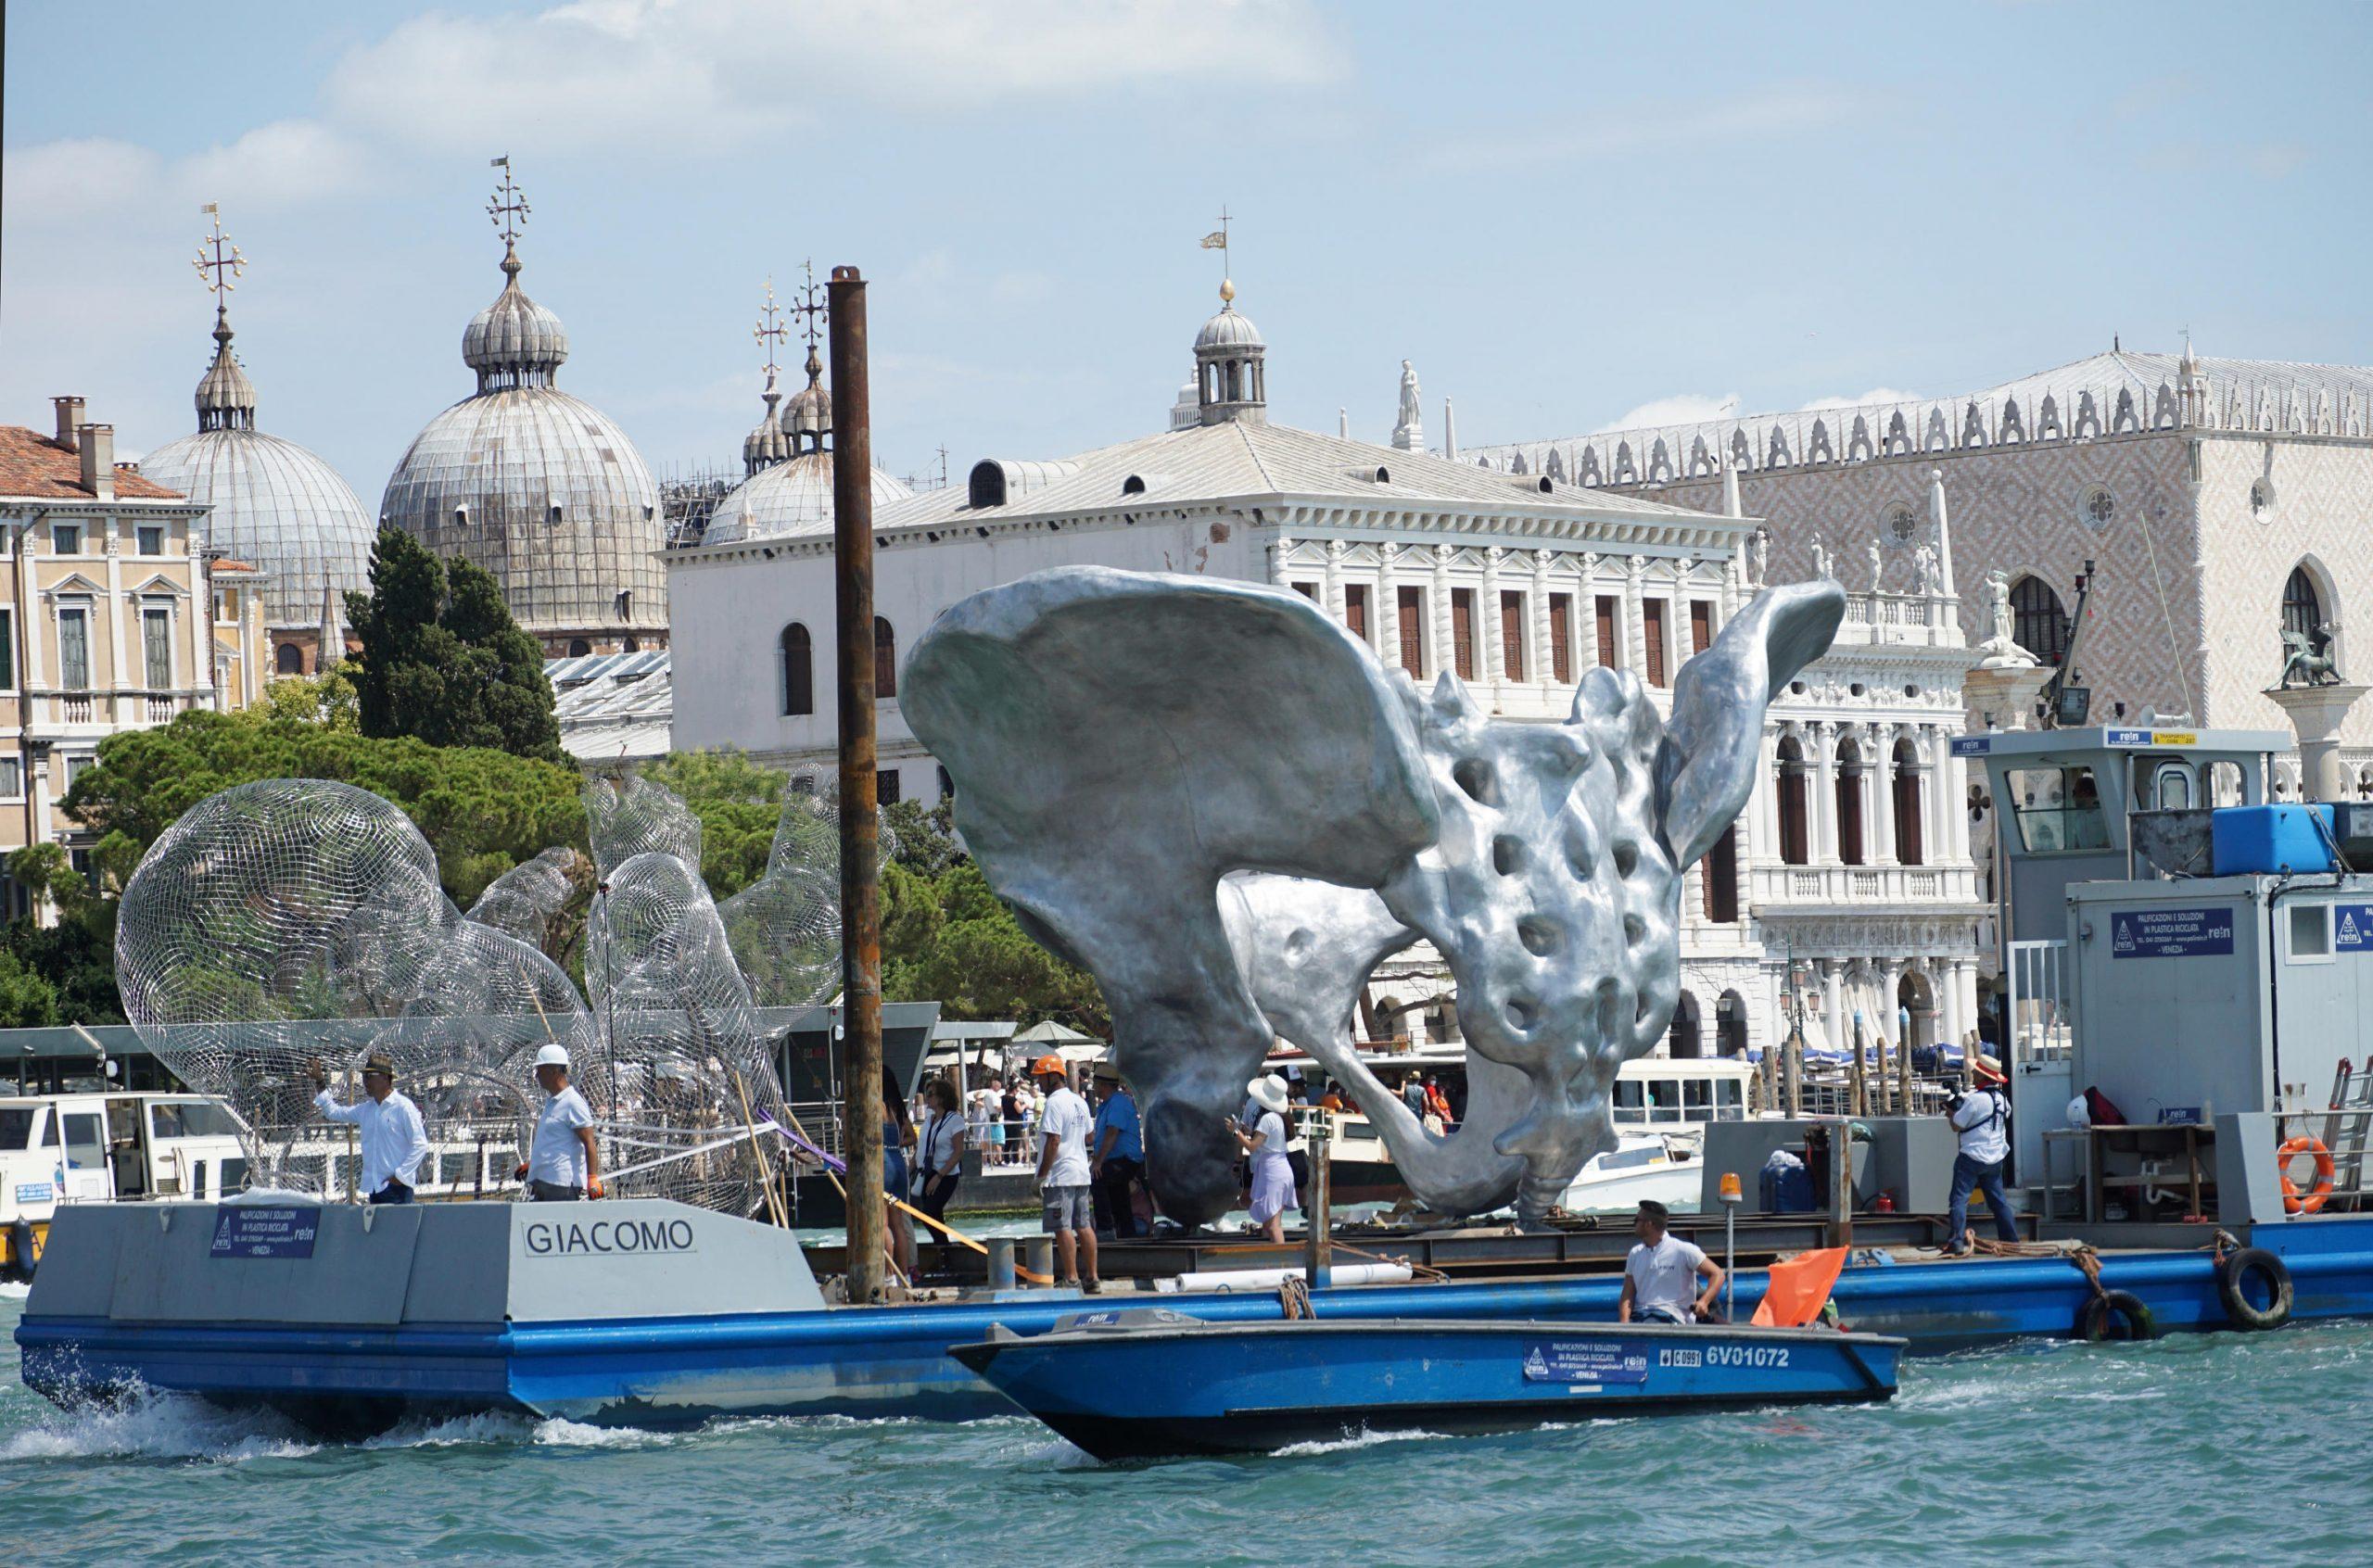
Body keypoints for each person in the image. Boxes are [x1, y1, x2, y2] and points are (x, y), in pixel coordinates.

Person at [307, 1050, 430, 1205]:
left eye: (370, 1076)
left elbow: (420, 1144)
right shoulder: (366, 1109)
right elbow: (333, 1112)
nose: (365, 1081)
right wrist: (320, 1081)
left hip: (398, 1189)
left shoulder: (403, 1107)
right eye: (364, 1076)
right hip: (374, 1188)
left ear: (386, 1077)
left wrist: (400, 1176)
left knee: (399, 1229)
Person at [1032, 1054, 1100, 1293]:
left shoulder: (1054, 1103)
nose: (1038, 1084)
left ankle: (1071, 1277)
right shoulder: (1079, 1101)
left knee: (1062, 1226)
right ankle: (1092, 1278)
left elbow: (1053, 1141)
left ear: (1052, 1076)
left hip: (1060, 1174)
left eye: (1041, 1078)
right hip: (1081, 1172)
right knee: (1084, 1225)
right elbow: (1090, 1136)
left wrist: (1042, 1175)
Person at [1944, 1066, 2018, 1256]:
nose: (1973, 1075)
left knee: (1959, 1200)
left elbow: (1956, 1126)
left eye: (1975, 1073)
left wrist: (1951, 1113)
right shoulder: (2003, 1100)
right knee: (1999, 1202)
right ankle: (2011, 1242)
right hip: (1995, 1159)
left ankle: (1957, 1243)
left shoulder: (1975, 1100)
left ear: (1981, 1076)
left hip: (1971, 1157)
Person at [517, 1042, 603, 1201]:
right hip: (544, 1183)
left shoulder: (573, 1102)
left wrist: (592, 1177)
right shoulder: (552, 1102)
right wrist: (534, 1163)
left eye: (540, 1071)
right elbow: (553, 1141)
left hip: (561, 1185)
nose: (536, 1076)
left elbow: (589, 1142)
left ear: (553, 1071)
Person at [1617, 1199, 1723, 1324]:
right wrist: (1624, 1325)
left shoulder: (1683, 1250)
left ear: (1648, 1224)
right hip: (1641, 1317)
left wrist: (1704, 1302)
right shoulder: (1635, 1254)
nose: (1633, 1224)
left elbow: (1717, 1273)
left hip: (1673, 1318)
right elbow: (1627, 1295)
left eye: (1636, 1220)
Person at [1232, 1073, 1297, 1245]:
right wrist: (1244, 1130)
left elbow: (1252, 1146)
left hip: (1272, 1170)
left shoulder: (1267, 1119)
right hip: (1279, 1167)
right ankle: (1276, 1258)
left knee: (1273, 1225)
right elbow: (1260, 1139)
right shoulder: (1277, 1118)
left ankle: (1282, 1260)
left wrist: (1235, 1131)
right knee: (1271, 1223)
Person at [1089, 1062, 1145, 1239]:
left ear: (1103, 1085)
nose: (1094, 1088)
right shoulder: (1107, 1104)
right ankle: (1128, 1233)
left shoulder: (1118, 1102)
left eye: (1095, 1084)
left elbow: (1113, 1131)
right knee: (1118, 1193)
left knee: (1098, 1179)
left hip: (1126, 1159)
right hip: (1117, 1159)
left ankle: (1106, 1228)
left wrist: (1098, 1162)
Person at [912, 1077, 968, 1230]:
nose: (927, 1098)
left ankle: (943, 1248)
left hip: (944, 1174)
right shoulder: (928, 1120)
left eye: (931, 1094)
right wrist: (908, 1171)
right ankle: (943, 1249)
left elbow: (958, 1152)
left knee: (930, 1213)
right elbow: (921, 1149)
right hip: (926, 1173)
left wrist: (939, 1176)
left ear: (942, 1098)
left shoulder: (955, 1120)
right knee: (932, 1215)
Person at [882, 1066, 916, 1279]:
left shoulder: (874, 1105)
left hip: (881, 1164)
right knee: (898, 1224)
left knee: (882, 1224)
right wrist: (895, 1142)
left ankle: (888, 1277)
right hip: (898, 1162)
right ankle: (904, 1276)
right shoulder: (896, 1109)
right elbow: (912, 1137)